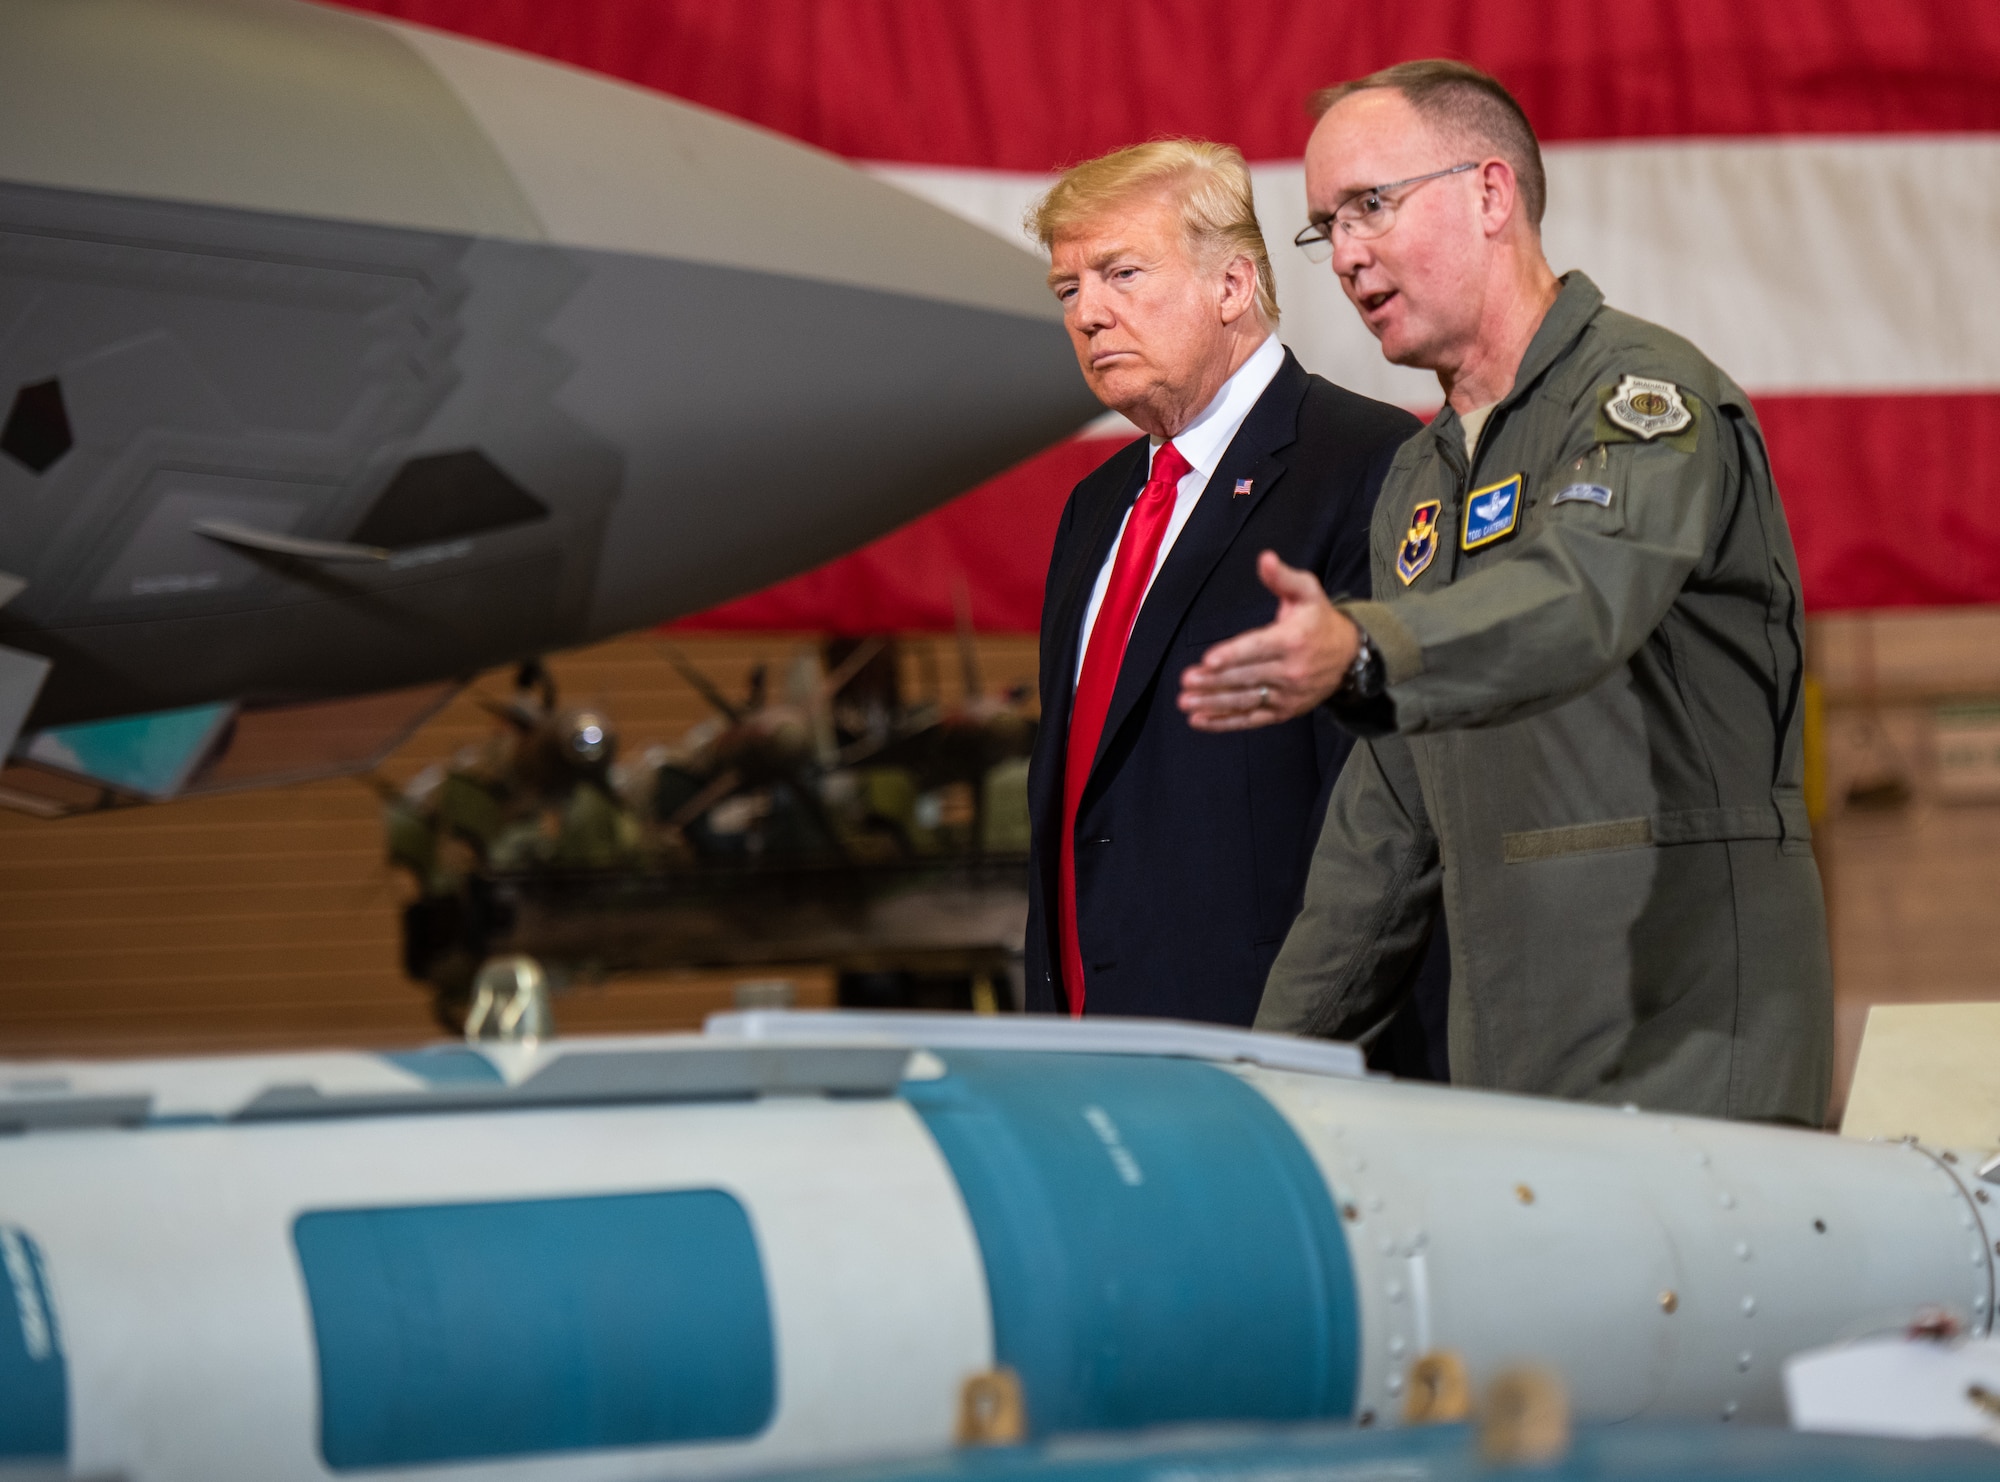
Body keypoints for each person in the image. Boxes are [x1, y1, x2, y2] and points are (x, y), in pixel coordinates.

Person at [1178, 62, 1832, 1121]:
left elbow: (1579, 596)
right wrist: (1267, 1080)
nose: (1344, 254)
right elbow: (1382, 827)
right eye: (1323, 227)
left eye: (1370, 206)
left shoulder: (1640, 397)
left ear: (1489, 194)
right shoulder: (1417, 479)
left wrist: (1362, 649)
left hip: (1686, 1041)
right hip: (1512, 1066)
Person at [1022, 139, 1419, 1023]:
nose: (1088, 314)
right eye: (1068, 288)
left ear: (1233, 286)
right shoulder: (1096, 508)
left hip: (1274, 1046)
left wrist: (1308, 1033)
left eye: (1122, 274)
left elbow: (1381, 805)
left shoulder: (1369, 465)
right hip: (1092, 1046)